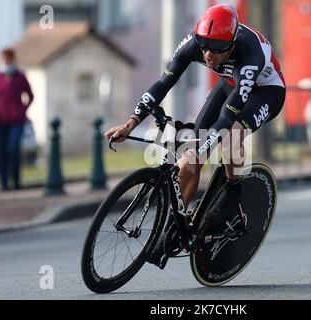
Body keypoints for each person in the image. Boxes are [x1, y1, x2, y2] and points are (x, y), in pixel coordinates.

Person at [105, 5, 286, 268]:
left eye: (215, 49)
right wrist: (132, 122)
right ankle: (172, 230)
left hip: (266, 92)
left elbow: (227, 117)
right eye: (204, 47)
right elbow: (164, 82)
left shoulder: (250, 54)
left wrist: (199, 151)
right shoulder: (196, 43)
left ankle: (233, 191)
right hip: (230, 84)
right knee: (191, 154)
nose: (208, 55)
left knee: (232, 134)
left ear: (232, 45)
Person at [0, 48, 34, 191]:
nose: (6, 63)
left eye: (8, 61)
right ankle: (4, 183)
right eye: (3, 61)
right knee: (1, 151)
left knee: (13, 148)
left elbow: (30, 95)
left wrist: (23, 109)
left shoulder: (20, 77)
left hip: (17, 120)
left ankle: (16, 180)